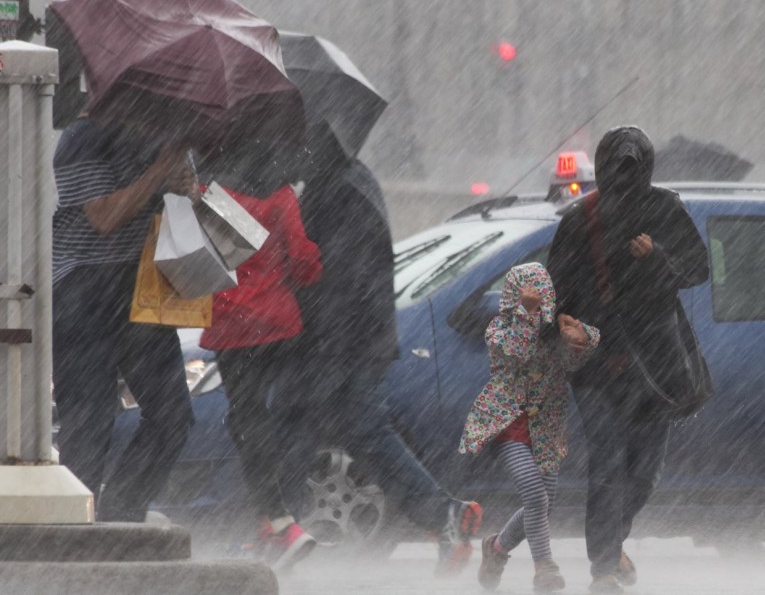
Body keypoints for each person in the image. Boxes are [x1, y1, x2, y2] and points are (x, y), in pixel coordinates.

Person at [290, 122, 483, 576]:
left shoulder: (334, 194)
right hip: (361, 337)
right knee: (364, 432)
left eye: (298, 148)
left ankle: (281, 526)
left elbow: (335, 280)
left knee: (328, 427)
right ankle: (442, 518)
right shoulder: (353, 180)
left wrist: (319, 345)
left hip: (345, 342)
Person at [546, 125, 710, 592]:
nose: (624, 177)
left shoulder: (665, 210)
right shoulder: (581, 219)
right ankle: (602, 567)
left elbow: (696, 268)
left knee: (644, 471)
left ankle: (612, 542)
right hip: (598, 363)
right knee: (608, 460)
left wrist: (657, 256)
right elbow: (554, 285)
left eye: (633, 168)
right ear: (602, 166)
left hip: (654, 362)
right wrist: (559, 322)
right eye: (616, 167)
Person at [52, 115, 196, 522]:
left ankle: (119, 515)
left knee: (172, 415)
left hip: (141, 288)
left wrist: (187, 188)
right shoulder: (85, 136)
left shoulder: (165, 133)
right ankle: (74, 534)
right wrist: (158, 173)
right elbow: (103, 217)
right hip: (81, 290)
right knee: (88, 422)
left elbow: (182, 201)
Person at [197, 147, 323, 570]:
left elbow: (194, 263)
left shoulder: (209, 192)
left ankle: (281, 520)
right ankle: (273, 522)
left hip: (233, 326)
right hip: (279, 325)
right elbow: (304, 264)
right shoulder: (281, 192)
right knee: (268, 419)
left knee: (247, 419)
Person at [459, 262, 600, 592]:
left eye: (539, 295)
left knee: (543, 502)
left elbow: (577, 360)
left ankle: (496, 550)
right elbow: (516, 353)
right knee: (535, 494)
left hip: (547, 428)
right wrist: (526, 314)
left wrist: (581, 335)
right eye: (523, 296)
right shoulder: (499, 330)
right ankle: (544, 567)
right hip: (509, 426)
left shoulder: (554, 333)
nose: (534, 301)